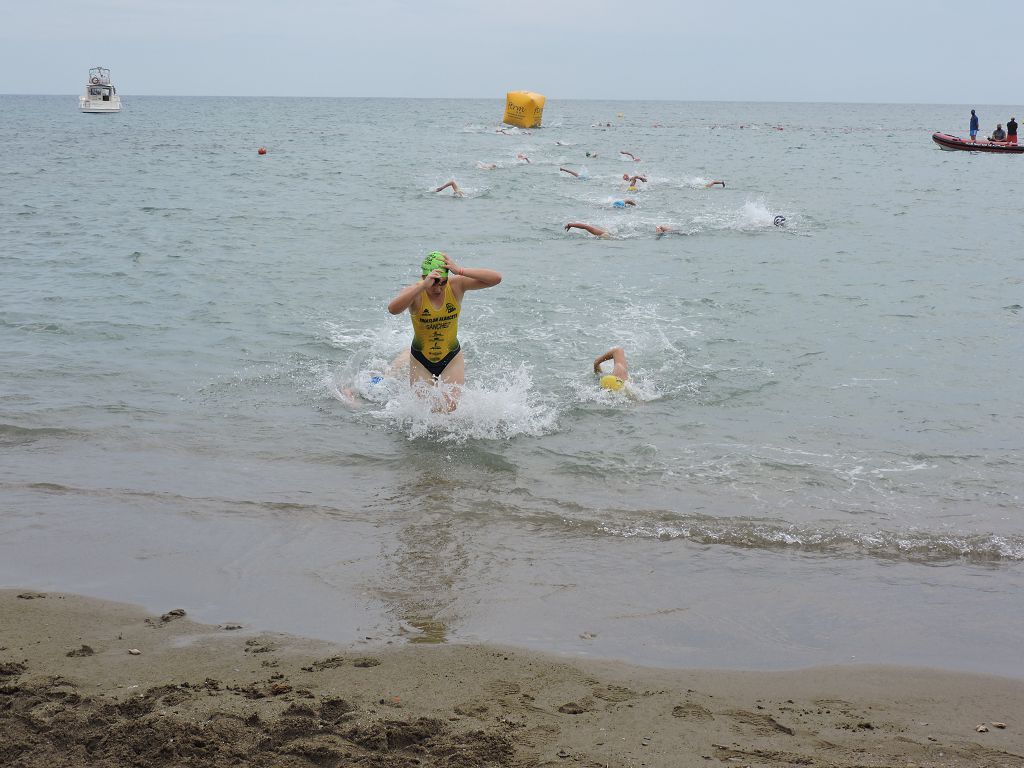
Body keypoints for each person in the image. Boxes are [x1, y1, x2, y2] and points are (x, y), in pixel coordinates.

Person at [387, 251, 502, 411]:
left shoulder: (456, 285)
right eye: (434, 283)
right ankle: (400, 362)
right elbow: (393, 309)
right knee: (424, 411)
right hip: (421, 360)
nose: (439, 288)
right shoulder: (416, 292)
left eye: (442, 282)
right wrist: (422, 287)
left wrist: (460, 270)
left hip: (451, 357)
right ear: (424, 277)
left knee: (450, 408)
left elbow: (496, 278)